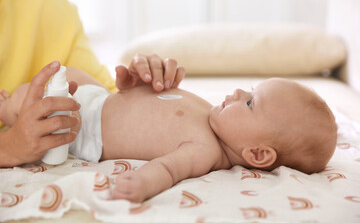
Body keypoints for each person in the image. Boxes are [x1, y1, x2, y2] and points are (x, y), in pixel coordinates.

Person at [0, 64, 338, 203]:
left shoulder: (205, 150)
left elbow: (168, 169)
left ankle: (6, 109)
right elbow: (154, 103)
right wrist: (133, 87)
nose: (237, 92)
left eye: (250, 103)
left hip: (83, 129)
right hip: (101, 100)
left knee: (32, 101)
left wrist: (142, 184)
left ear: (258, 154)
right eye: (248, 90)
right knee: (71, 72)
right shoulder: (212, 114)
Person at [0, 0, 185, 166]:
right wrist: (9, 147)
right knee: (23, 100)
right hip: (27, 123)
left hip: (63, 121)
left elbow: (96, 95)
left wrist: (133, 99)